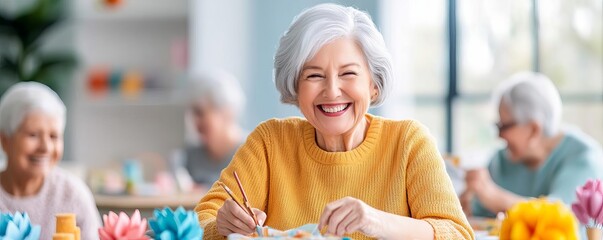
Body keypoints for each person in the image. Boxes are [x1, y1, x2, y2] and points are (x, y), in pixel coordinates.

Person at [196, 4, 473, 239]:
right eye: (314, 76)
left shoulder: (409, 142)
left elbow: (456, 233)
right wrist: (220, 225)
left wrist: (376, 221)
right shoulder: (270, 142)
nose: (331, 91)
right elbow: (198, 222)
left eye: (348, 74)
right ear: (295, 86)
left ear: (373, 84)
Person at [460, 72, 603, 218]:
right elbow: (477, 211)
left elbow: (562, 218)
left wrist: (495, 197)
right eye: (498, 126)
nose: (499, 135)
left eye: (505, 127)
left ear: (534, 130)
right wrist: (465, 203)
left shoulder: (583, 159)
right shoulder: (500, 160)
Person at [0, 82, 101, 239]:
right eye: (33, 134)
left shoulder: (74, 195)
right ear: (5, 141)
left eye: (54, 136)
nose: (46, 147)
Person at [172, 70, 247, 188]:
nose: (195, 121)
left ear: (226, 113)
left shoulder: (250, 152)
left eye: (200, 113)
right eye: (193, 113)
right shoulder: (192, 155)